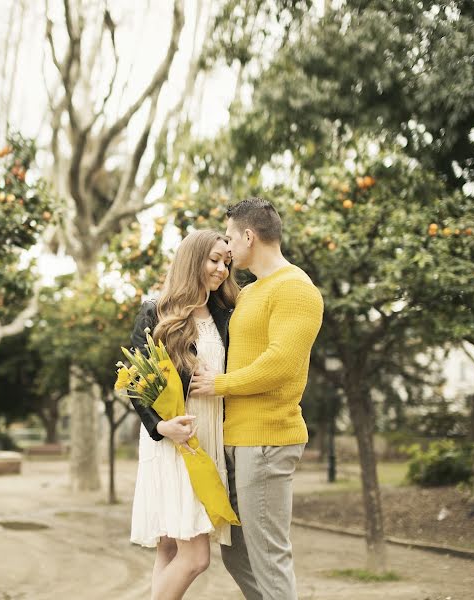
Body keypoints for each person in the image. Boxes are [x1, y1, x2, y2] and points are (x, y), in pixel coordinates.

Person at [189, 197, 324, 600]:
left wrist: (221, 384)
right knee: (238, 555)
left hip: (268, 441)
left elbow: (281, 363)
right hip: (238, 439)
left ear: (249, 236)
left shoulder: (296, 289)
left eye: (230, 237)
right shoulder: (249, 294)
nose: (227, 249)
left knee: (268, 556)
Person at [128, 229, 240, 600]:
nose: (222, 269)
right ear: (192, 259)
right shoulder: (155, 311)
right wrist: (160, 426)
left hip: (209, 435)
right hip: (174, 441)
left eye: (226, 261)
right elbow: (137, 380)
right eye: (213, 260)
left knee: (171, 550)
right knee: (194, 558)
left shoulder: (226, 312)